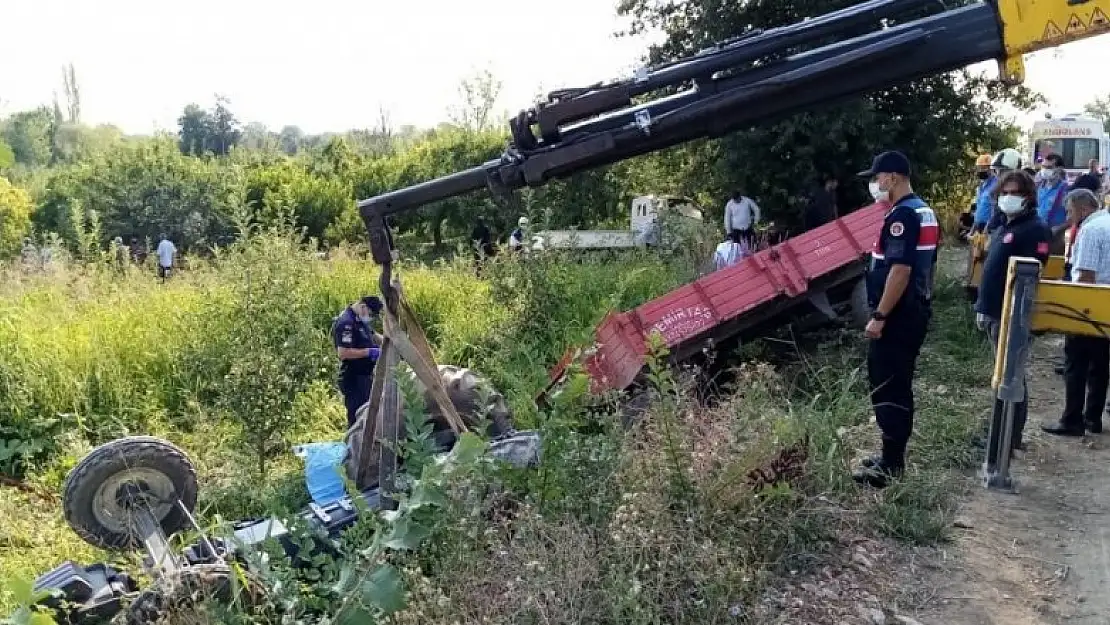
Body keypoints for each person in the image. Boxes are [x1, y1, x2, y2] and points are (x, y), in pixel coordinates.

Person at [854, 150, 937, 488]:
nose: (875, 184)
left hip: (898, 317)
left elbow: (900, 271)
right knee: (896, 383)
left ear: (894, 177)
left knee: (889, 386)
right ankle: (891, 456)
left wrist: (879, 315)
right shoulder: (924, 210)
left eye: (878, 178)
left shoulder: (903, 215)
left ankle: (891, 466)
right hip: (912, 311)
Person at [973, 170, 1051, 453]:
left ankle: (1006, 438)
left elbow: (1030, 276)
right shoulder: (1008, 224)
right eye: (1004, 192)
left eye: (1015, 193)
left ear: (1028, 197)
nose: (1008, 198)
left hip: (1013, 315)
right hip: (996, 311)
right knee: (1003, 375)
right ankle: (1001, 433)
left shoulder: (1034, 229)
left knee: (1011, 377)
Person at [1042, 189, 1110, 437]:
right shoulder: (1108, 221)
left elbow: (1086, 276)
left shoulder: (1091, 231)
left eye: (1070, 211)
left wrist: (1074, 312)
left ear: (1083, 209)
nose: (1069, 217)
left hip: (1088, 307)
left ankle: (1072, 420)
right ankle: (1093, 417)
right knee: (1100, 365)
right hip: (1106, 307)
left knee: (1076, 364)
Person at [333, 296, 384, 429]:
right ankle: (354, 446)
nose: (370, 318)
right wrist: (369, 352)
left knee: (368, 414)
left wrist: (390, 343)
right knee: (357, 418)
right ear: (363, 307)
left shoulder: (359, 319)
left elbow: (373, 335)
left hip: (365, 377)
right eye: (371, 314)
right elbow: (343, 353)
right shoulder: (346, 323)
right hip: (354, 378)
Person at [1037, 153, 1071, 253]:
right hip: (1040, 235)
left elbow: (1073, 217)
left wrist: (1058, 229)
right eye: (1043, 166)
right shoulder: (1040, 186)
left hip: (1056, 239)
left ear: (1059, 169)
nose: (1044, 170)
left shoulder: (1066, 189)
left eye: (1049, 167)